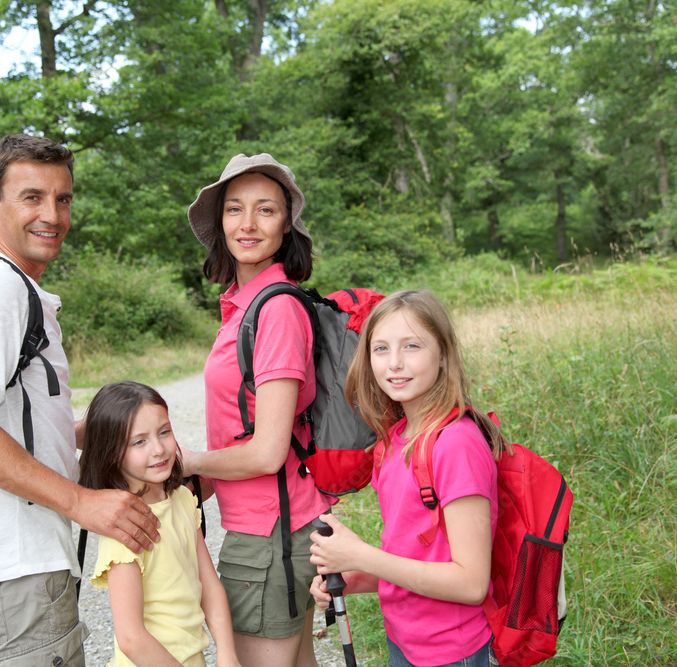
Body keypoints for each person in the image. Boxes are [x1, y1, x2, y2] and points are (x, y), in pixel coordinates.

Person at [0, 134, 160, 667]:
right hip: (11, 567)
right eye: (31, 197)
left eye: (63, 198)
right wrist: (81, 503)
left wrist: (95, 430)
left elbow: (11, 413)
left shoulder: (11, 286)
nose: (51, 214)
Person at [181, 153, 334, 667]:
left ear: (286, 222)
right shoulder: (242, 303)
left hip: (271, 534)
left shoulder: (277, 308)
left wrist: (189, 462)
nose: (247, 224)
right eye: (234, 209)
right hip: (282, 526)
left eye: (265, 210)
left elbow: (267, 452)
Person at [308, 290, 512, 667]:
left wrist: (362, 555)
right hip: (404, 641)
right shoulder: (395, 439)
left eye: (412, 346)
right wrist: (355, 576)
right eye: (380, 349)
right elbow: (415, 561)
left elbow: (470, 584)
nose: (395, 363)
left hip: (453, 652)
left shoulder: (456, 444)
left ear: (443, 355)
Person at [80, 382, 241, 667]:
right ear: (111, 452)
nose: (158, 449)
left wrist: (228, 655)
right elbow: (131, 637)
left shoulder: (182, 498)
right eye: (139, 441)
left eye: (164, 432)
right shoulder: (123, 525)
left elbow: (209, 586)